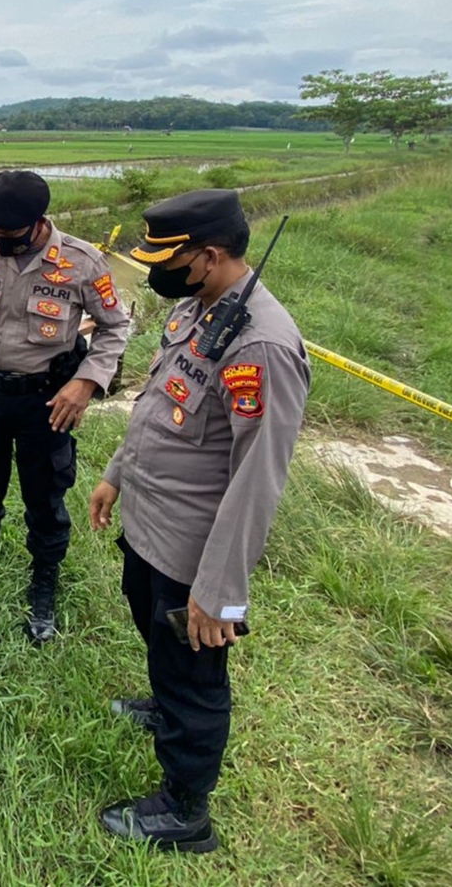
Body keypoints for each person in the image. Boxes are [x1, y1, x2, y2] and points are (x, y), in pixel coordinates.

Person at [88, 189, 309, 852]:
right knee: (155, 633)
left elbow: (256, 479)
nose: (155, 272)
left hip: (193, 546)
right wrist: (116, 475)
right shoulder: (197, 308)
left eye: (168, 258)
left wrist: (218, 591)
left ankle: (186, 813)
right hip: (149, 521)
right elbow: (158, 403)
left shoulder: (262, 344)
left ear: (210, 256)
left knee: (196, 675)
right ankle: (163, 704)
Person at [0, 170, 130, 643]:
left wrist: (86, 383)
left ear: (38, 222)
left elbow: (115, 328)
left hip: (49, 400)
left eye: (9, 236)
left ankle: (44, 587)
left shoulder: (83, 261)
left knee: (45, 496)